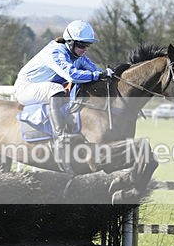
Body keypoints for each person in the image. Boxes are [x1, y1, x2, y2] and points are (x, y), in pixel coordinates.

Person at [13, 20, 106, 172]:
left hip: (41, 88)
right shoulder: (55, 52)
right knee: (55, 88)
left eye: (87, 46)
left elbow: (94, 70)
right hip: (25, 88)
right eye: (82, 45)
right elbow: (72, 75)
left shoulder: (77, 55)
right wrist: (96, 75)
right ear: (70, 42)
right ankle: (61, 136)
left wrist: (108, 74)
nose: (85, 49)